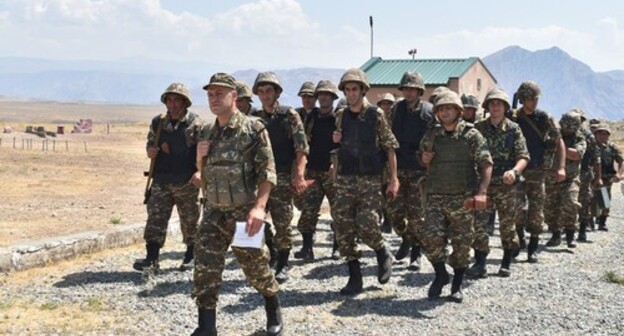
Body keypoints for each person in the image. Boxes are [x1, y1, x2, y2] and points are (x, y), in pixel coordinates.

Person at [191, 73, 283, 336]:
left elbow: (268, 172)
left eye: (220, 94)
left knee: (255, 267)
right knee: (205, 268)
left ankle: (272, 306)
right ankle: (206, 327)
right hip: (213, 211)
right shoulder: (207, 131)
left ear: (234, 96)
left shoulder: (253, 129)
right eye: (210, 94)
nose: (214, 99)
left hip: (244, 211)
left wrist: (259, 207)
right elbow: (204, 175)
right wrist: (199, 160)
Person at [419, 90, 492, 302]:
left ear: (458, 111)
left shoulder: (471, 135)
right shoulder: (432, 135)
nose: (444, 112)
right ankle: (441, 275)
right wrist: (424, 159)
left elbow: (486, 164)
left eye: (448, 108)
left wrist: (482, 192)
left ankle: (457, 285)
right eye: (440, 109)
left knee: (461, 244)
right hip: (435, 196)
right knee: (431, 239)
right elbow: (422, 160)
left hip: (462, 197)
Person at [331, 68, 398, 296]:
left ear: (362, 90)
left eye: (354, 89)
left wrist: (394, 179)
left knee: (368, 224)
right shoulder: (341, 115)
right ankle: (355, 277)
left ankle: (381, 252)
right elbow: (341, 142)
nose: (350, 93)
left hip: (370, 179)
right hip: (346, 177)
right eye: (347, 89)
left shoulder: (375, 115)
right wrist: (337, 139)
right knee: (342, 227)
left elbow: (390, 147)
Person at [133, 82, 203, 272]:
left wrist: (200, 172)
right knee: (155, 218)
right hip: (162, 180)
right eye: (169, 100)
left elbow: (204, 153)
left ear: (185, 102)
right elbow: (150, 145)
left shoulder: (195, 124)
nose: (172, 104)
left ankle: (191, 255)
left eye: (177, 100)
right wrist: (151, 151)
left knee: (190, 220)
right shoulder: (159, 122)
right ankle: (152, 258)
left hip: (186, 181)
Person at [254, 71, 309, 283]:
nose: (265, 95)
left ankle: (284, 263)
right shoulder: (255, 118)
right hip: (260, 178)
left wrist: (300, 175)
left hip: (283, 176)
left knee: (283, 222)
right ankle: (273, 251)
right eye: (261, 91)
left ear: (277, 92)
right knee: (250, 219)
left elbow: (301, 147)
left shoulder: (289, 116)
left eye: (269, 91)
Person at [474, 87, 529, 277]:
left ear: (505, 107)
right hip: (484, 184)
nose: (495, 106)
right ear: (487, 106)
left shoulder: (514, 129)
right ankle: (480, 262)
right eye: (492, 103)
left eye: (499, 103)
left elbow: (523, 156)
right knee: (479, 224)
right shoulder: (478, 128)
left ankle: (506, 261)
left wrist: (514, 171)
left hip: (506, 184)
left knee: (507, 224)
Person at [510, 80, 565, 263]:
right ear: (522, 99)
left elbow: (558, 140)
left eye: (536, 98)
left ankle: (532, 248)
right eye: (530, 98)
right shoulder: (513, 117)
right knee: (517, 209)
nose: (534, 102)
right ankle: (519, 240)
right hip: (518, 169)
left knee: (536, 211)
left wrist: (560, 166)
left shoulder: (544, 117)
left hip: (538, 169)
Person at [386, 71, 435, 271]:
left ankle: (416, 254)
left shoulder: (429, 112)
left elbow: (435, 138)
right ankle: (406, 238)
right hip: (398, 168)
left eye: (412, 88)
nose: (409, 92)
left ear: (419, 91)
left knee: (417, 216)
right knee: (394, 213)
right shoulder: (396, 110)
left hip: (419, 170)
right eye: (406, 88)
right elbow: (387, 135)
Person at [294, 80, 341, 261]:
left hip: (332, 171)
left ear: (333, 97)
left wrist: (336, 162)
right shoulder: (310, 117)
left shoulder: (339, 117)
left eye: (327, 95)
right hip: (312, 170)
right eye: (320, 94)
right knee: (308, 211)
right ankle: (307, 248)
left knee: (338, 211)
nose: (323, 98)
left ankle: (337, 247)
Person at [543, 110, 586, 248]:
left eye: (571, 127)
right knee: (550, 208)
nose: (567, 129)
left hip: (570, 178)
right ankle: (555, 234)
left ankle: (570, 234)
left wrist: (559, 145)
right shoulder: (552, 133)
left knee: (570, 203)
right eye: (565, 126)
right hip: (551, 177)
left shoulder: (579, 138)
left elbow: (577, 155)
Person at [576, 110, 601, 241]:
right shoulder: (566, 132)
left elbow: (596, 157)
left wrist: (599, 177)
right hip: (571, 172)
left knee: (592, 200)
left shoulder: (589, 137)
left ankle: (600, 221)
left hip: (587, 173)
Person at [593, 123, 624, 231]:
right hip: (590, 177)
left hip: (606, 178)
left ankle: (602, 222)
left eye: (605, 134)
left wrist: (619, 174)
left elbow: (621, 161)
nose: (602, 135)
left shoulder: (612, 147)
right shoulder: (590, 146)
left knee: (605, 201)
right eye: (600, 133)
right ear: (595, 134)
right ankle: (586, 222)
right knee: (587, 200)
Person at [376, 92, 396, 234]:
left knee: (389, 191)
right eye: (383, 103)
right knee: (381, 191)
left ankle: (390, 221)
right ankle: (384, 220)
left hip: (392, 159)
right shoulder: (376, 119)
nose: (386, 106)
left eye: (389, 103)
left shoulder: (396, 119)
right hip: (379, 160)